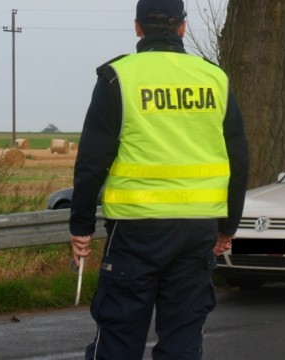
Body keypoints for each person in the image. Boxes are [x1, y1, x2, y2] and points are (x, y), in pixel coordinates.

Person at [69, 0, 249, 358]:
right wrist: (228, 226)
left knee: (119, 335)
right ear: (182, 27)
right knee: (183, 337)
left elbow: (92, 161)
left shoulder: (117, 78)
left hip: (136, 230)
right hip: (197, 231)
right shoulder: (214, 78)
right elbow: (239, 157)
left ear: (137, 27)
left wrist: (81, 226)